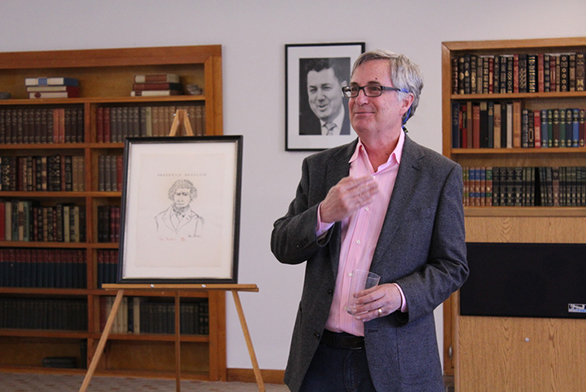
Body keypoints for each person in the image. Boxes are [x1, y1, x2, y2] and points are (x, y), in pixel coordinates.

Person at [271, 50, 469, 392]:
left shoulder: (439, 174)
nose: (360, 98)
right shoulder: (320, 168)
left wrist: (401, 294)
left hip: (397, 361)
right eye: (355, 89)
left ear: (406, 101)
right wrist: (323, 215)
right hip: (319, 359)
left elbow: (452, 266)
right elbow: (282, 245)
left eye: (375, 88)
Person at [299, 58, 351, 136]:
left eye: (326, 88)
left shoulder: (357, 121)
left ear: (343, 89)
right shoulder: (301, 126)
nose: (320, 97)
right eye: (313, 90)